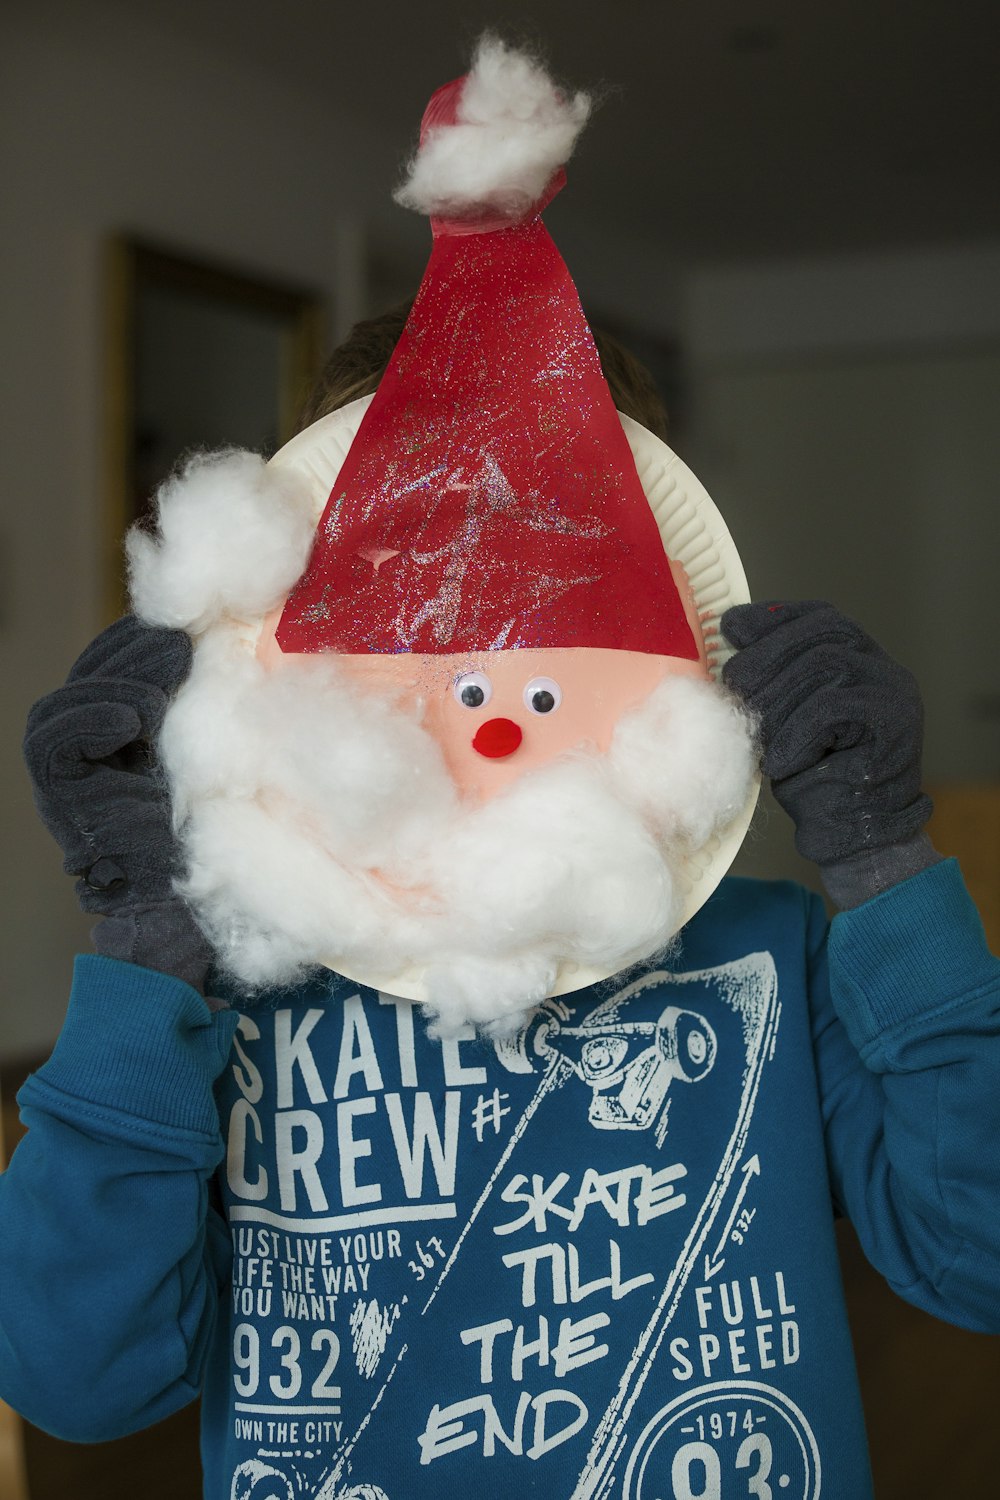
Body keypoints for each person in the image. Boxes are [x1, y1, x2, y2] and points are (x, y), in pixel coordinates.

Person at [3, 36, 1000, 1500]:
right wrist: (147, 957)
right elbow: (78, 1388)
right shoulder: (222, 1018)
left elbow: (980, 1261)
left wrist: (884, 866)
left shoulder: (775, 968)